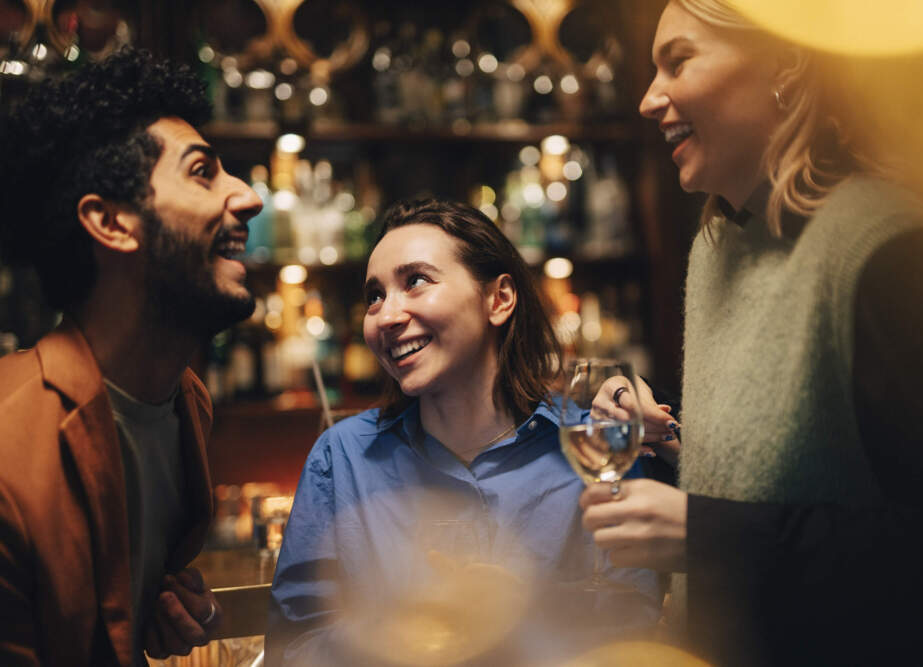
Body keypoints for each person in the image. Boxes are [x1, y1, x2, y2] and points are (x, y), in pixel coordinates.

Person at [579, 1, 923, 665]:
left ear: (787, 64)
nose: (646, 99)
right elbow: (806, 474)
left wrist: (707, 536)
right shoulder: (720, 244)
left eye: (678, 61)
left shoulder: (892, 252)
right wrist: (670, 440)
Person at [265, 200, 663, 666]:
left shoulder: (595, 443)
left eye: (415, 281)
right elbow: (292, 645)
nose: (387, 316)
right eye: (375, 295)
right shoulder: (343, 456)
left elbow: (635, 617)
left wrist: (522, 612)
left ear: (499, 299)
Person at [0, 48, 263, 665]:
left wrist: (148, 611)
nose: (248, 196)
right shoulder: (9, 447)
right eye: (202, 172)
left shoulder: (184, 403)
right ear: (112, 222)